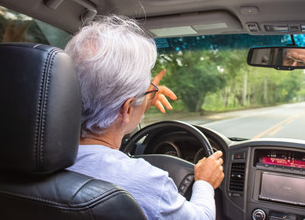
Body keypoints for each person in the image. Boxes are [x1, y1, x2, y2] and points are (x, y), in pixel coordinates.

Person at [66, 15, 224, 220]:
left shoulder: (29, 159)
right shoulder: (145, 182)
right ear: (127, 108)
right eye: (144, 93)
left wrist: (139, 101)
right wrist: (204, 183)